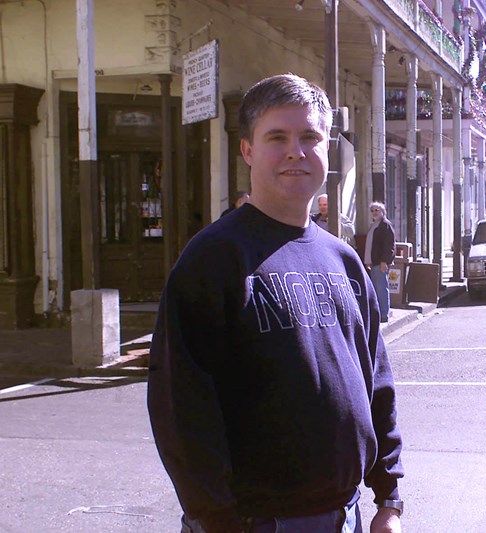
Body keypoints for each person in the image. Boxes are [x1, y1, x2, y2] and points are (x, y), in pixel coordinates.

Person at [147, 74, 404, 533]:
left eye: (310, 137)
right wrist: (217, 519)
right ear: (247, 150)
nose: (295, 151)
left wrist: (389, 497)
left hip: (347, 517)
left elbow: (376, 383)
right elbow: (179, 407)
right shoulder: (213, 259)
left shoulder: (343, 260)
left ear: (329, 150)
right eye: (277, 137)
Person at [363, 202, 395, 323]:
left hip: (381, 262)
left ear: (382, 212)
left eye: (377, 210)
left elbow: (389, 246)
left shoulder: (385, 225)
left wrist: (384, 261)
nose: (374, 212)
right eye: (372, 210)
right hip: (374, 262)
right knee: (376, 288)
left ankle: (384, 314)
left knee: (382, 288)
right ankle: (378, 313)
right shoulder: (374, 225)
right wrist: (369, 261)